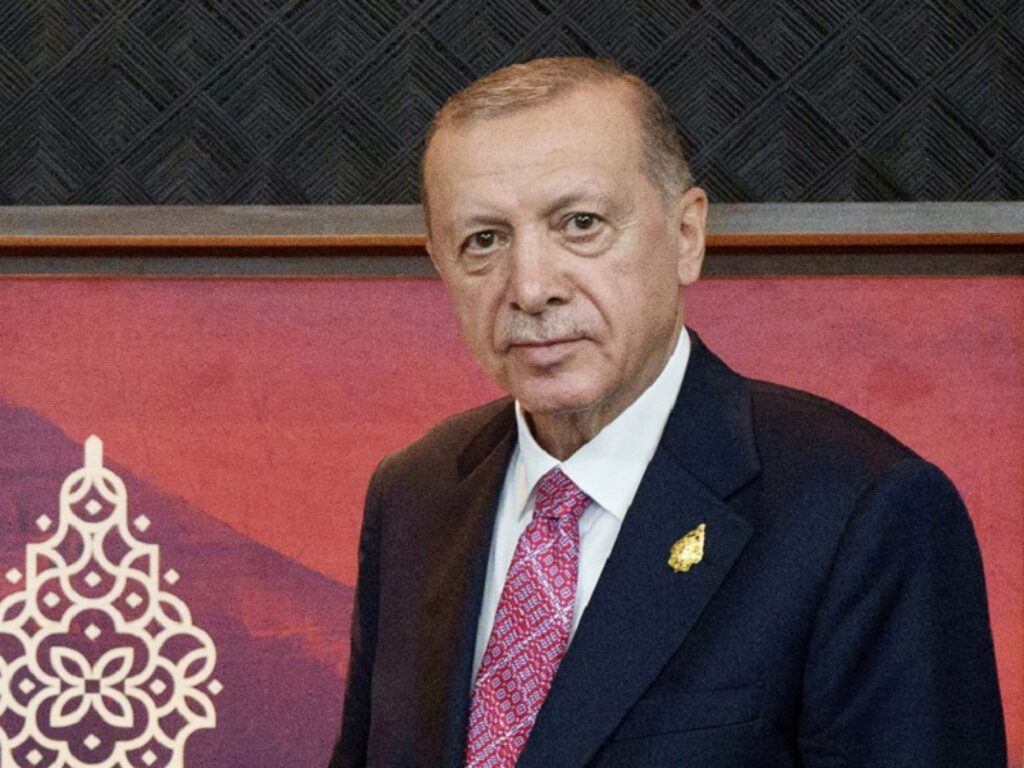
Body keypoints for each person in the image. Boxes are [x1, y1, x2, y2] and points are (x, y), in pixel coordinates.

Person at [329, 57, 1006, 767]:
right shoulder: (415, 494)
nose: (530, 287)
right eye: (484, 240)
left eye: (580, 224)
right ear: (440, 265)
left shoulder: (861, 510)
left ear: (687, 235)